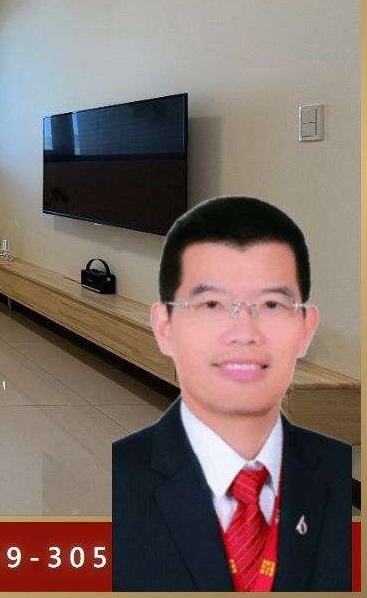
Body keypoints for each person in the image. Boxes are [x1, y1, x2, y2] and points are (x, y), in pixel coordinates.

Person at [112, 195, 351, 591]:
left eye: (271, 304)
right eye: (211, 304)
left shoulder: (339, 477)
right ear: (164, 327)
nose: (244, 333)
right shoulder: (116, 481)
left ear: (306, 329)